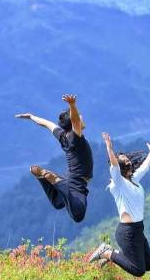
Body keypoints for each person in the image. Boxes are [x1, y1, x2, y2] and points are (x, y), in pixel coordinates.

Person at [88, 132, 150, 277]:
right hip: (128, 232)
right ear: (120, 166)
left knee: (149, 265)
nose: (127, 160)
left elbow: (144, 168)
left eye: (126, 158)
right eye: (123, 160)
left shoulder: (133, 180)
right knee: (138, 271)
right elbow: (114, 167)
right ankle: (107, 252)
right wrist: (109, 148)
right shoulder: (118, 183)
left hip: (138, 229)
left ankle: (113, 256)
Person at [15, 94, 93, 223]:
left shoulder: (63, 136)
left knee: (58, 203)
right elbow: (75, 121)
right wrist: (72, 105)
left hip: (69, 177)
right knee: (78, 215)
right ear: (74, 123)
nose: (81, 116)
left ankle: (45, 178)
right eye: (79, 115)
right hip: (76, 181)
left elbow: (47, 124)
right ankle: (56, 181)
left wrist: (31, 117)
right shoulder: (75, 138)